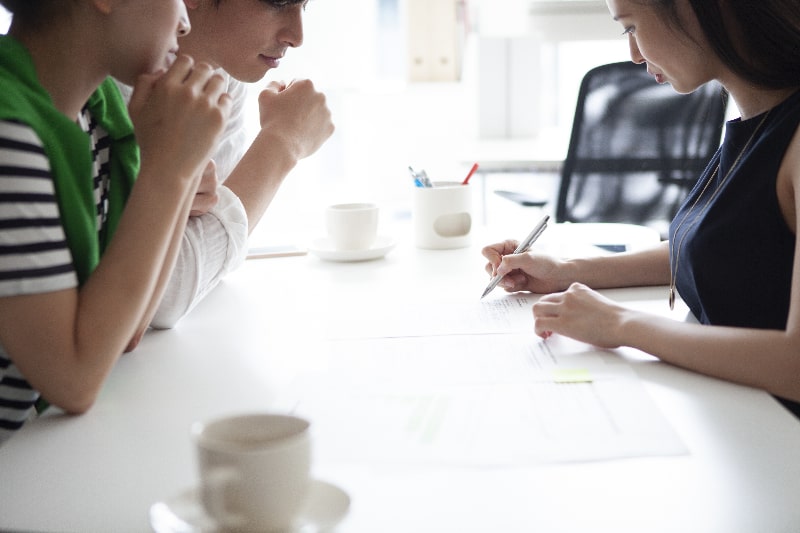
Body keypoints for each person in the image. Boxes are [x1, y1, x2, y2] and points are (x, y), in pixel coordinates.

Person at [482, 0, 800, 417]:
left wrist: (621, 325)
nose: (633, 54)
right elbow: (725, 249)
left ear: (694, 10)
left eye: (630, 26)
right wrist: (567, 271)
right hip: (738, 417)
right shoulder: (757, 119)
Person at [0, 0, 231, 445]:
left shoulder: (96, 111)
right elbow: (73, 380)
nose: (186, 20)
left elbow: (126, 329)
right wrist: (167, 171)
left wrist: (182, 164)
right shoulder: (9, 134)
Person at [143, 0, 335, 327]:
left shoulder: (219, 70)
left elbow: (209, 252)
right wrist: (282, 143)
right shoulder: (119, 79)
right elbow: (162, 296)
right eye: (277, 3)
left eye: (305, 5)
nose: (297, 35)